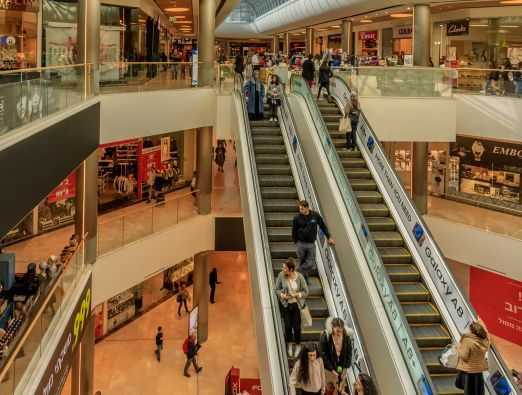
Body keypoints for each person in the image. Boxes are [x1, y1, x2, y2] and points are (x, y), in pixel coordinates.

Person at [292, 200, 334, 282]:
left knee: (310, 264)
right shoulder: (297, 218)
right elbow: (294, 230)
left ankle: (296, 272)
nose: (300, 210)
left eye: (302, 209)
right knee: (302, 262)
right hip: (301, 244)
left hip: (311, 244)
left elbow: (323, 226)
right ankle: (304, 280)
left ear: (307, 208)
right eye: (299, 209)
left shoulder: (315, 215)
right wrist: (295, 241)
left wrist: (329, 237)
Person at [275, 258, 309, 358]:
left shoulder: (300, 277)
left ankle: (298, 344)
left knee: (297, 327)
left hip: (296, 305)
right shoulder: (281, 275)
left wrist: (297, 294)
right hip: (286, 305)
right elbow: (276, 289)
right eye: (283, 268)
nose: (283, 270)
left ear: (291, 270)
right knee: (288, 326)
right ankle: (289, 344)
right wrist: (282, 295)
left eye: (285, 268)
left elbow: (306, 291)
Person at [455, 321, 490, 395]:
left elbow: (464, 356)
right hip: (478, 371)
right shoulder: (485, 341)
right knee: (477, 392)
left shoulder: (468, 341)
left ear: (472, 331)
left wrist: (457, 348)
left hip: (468, 371)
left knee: (468, 391)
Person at [319, 318, 353, 393]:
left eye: (341, 330)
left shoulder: (346, 337)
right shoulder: (325, 336)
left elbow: (349, 353)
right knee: (329, 389)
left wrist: (345, 369)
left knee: (340, 388)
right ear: (332, 328)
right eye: (337, 331)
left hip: (340, 367)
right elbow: (322, 354)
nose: (339, 333)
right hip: (328, 368)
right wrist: (332, 370)